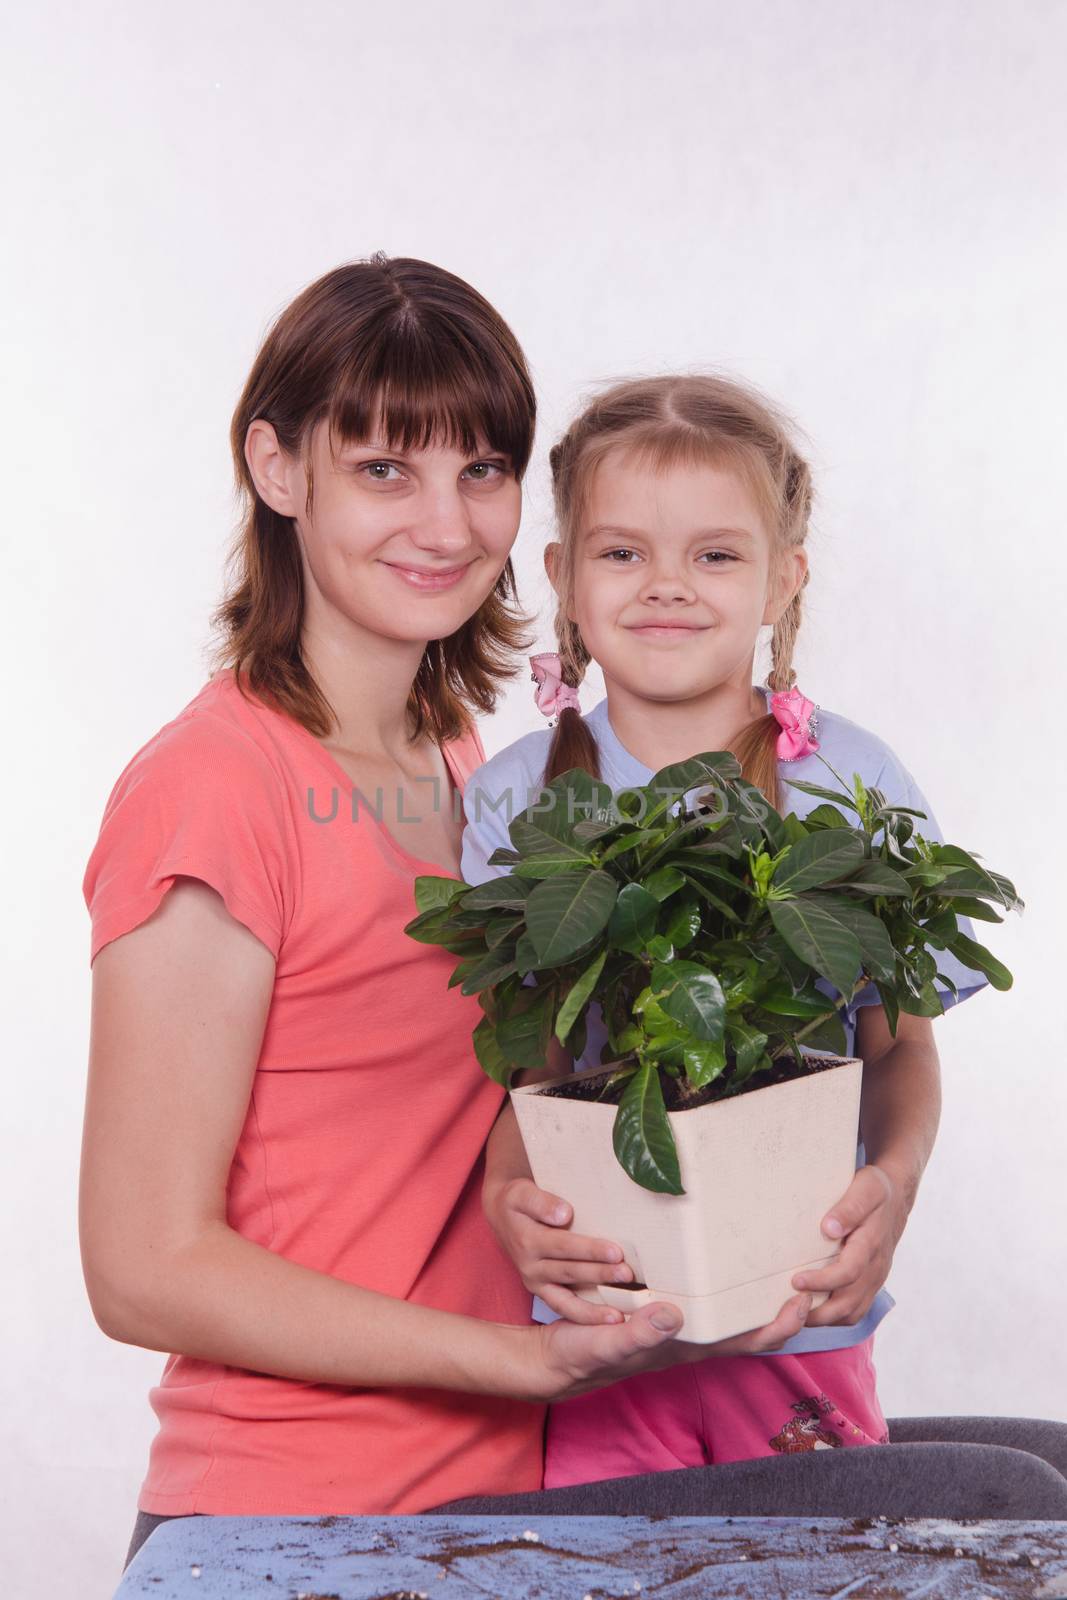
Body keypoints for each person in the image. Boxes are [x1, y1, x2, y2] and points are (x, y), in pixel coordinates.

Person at [82, 264, 820, 1576]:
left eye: (480, 469)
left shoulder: (457, 755)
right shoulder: (214, 790)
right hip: (301, 1523)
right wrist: (516, 1360)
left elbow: (464, 1111)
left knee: (1022, 1477)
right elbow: (141, 1265)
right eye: (383, 469)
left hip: (512, 1485)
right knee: (1006, 1514)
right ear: (277, 467)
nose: (444, 522)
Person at [459, 373, 1059, 1496]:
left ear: (785, 579)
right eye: (622, 552)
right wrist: (508, 1205)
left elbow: (899, 1046)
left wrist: (889, 1184)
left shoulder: (848, 780)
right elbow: (522, 1068)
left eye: (716, 556)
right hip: (603, 1329)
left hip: (797, 1320)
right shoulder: (513, 798)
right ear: (561, 580)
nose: (667, 587)